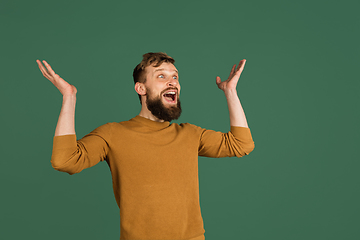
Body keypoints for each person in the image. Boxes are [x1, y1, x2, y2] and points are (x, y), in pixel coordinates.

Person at [36, 52, 255, 240]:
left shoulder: (190, 134)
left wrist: (230, 92)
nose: (172, 82)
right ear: (140, 88)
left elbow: (241, 144)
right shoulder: (113, 134)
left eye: (175, 77)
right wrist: (69, 97)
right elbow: (65, 161)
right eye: (161, 76)